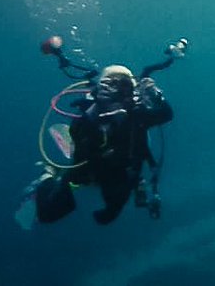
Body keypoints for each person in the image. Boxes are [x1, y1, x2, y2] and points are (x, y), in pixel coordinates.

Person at [30, 64, 173, 225]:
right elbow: (78, 138)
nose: (117, 91)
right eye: (111, 84)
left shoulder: (137, 115)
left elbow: (166, 115)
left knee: (108, 216)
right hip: (87, 169)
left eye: (124, 85)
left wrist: (156, 95)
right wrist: (96, 116)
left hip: (120, 174)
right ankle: (47, 175)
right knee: (48, 213)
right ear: (100, 88)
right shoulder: (90, 113)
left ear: (132, 91)